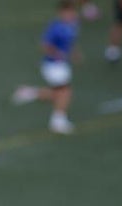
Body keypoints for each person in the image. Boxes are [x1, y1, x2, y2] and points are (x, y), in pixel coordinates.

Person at [12, 0, 81, 135]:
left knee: (59, 94)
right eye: (68, 12)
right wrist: (58, 53)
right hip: (53, 65)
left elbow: (70, 42)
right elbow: (44, 45)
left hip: (63, 64)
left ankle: (29, 93)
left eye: (72, 12)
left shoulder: (74, 24)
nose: (71, 14)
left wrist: (74, 53)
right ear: (60, 13)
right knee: (65, 93)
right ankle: (57, 121)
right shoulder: (55, 27)